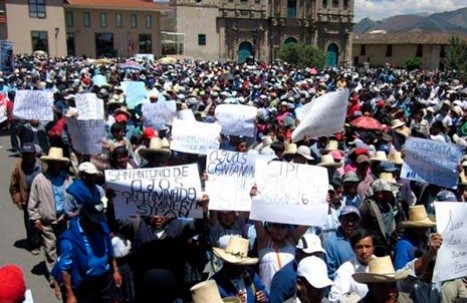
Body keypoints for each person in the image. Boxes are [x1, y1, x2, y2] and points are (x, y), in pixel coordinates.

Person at [54, 202, 122, 303]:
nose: (96, 224)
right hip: (85, 285)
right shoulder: (69, 239)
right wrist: (70, 294)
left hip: (105, 281)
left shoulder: (102, 227)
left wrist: (115, 270)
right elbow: (64, 269)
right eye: (93, 221)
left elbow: (110, 250)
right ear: (82, 217)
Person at [28, 147, 73, 283]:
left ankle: (66, 273)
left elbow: (73, 197)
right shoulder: (40, 180)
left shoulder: (67, 178)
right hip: (47, 222)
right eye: (53, 162)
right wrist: (36, 219)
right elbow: (32, 202)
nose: (56, 164)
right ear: (49, 163)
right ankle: (54, 277)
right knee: (50, 250)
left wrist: (71, 213)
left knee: (65, 247)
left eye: (58, 162)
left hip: (64, 220)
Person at [269, 233, 326, 303]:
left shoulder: (321, 269)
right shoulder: (284, 276)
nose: (314, 257)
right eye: (310, 254)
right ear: (298, 253)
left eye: (318, 254)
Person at [211, 237, 268, 303]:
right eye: (232, 265)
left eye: (240, 266)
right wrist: (234, 301)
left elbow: (262, 289)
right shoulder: (215, 283)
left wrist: (263, 295)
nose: (236, 269)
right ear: (226, 263)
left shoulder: (250, 274)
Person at [9, 142, 42, 255]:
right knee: (30, 222)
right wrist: (17, 199)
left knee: (45, 220)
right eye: (25, 154)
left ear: (34, 153)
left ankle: (44, 240)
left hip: (42, 197)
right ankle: (34, 244)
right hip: (27, 197)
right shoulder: (19, 167)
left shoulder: (42, 164)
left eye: (30, 154)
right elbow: (13, 186)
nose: (28, 156)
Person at [329, 229, 375, 302]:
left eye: (367, 246)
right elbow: (335, 298)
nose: (364, 251)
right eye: (359, 247)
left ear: (373, 247)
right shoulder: (345, 270)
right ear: (353, 249)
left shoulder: (382, 264)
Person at [359, 179, 398, 256]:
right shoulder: (366, 207)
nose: (391, 195)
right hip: (374, 249)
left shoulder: (389, 207)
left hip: (387, 248)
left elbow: (392, 227)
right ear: (380, 194)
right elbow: (362, 228)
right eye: (389, 193)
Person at [324, 206, 361, 280]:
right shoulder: (331, 243)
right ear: (340, 220)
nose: (350, 223)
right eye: (347, 219)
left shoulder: (362, 239)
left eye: (354, 220)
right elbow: (330, 273)